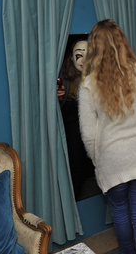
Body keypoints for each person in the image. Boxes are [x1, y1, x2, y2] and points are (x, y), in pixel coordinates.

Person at [78, 19, 136, 254]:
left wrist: (98, 162)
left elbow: (88, 135)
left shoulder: (89, 84)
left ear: (94, 47)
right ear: (123, 42)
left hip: (113, 157)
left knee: (120, 210)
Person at [57, 38, 96, 199]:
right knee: (75, 156)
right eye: (79, 55)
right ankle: (74, 194)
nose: (83, 60)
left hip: (89, 116)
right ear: (71, 57)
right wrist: (56, 96)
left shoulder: (96, 73)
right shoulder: (63, 73)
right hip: (70, 117)